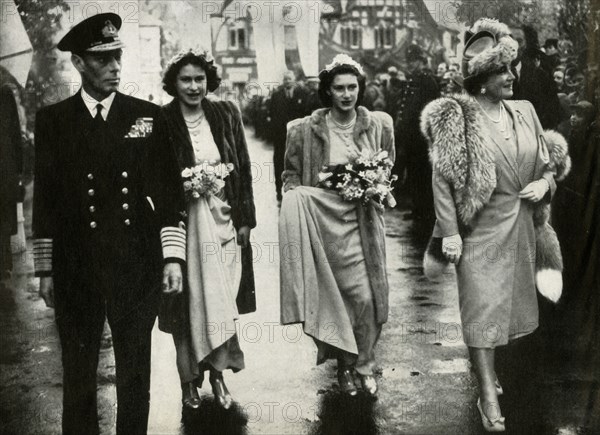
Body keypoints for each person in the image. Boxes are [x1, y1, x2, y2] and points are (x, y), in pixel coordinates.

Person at [32, 13, 184, 434]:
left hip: (136, 263)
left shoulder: (148, 117)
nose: (115, 67)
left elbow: (170, 195)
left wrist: (172, 257)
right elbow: (45, 198)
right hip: (76, 266)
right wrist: (45, 269)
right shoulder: (54, 121)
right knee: (78, 373)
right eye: (103, 60)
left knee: (134, 372)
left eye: (118, 57)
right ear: (79, 64)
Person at [420, 19, 567, 432]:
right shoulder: (458, 118)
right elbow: (443, 181)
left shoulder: (525, 112)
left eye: (511, 67)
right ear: (481, 79)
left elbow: (549, 163)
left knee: (510, 316)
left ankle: (487, 370)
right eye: (501, 70)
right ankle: (487, 396)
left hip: (521, 228)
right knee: (482, 309)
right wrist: (449, 231)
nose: (511, 76)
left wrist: (545, 183)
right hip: (479, 232)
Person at [279, 54, 395, 397]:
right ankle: (345, 367)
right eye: (339, 88)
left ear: (360, 88)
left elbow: (388, 167)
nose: (346, 94)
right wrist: (295, 200)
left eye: (352, 87)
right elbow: (290, 175)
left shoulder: (379, 125)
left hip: (363, 222)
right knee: (336, 299)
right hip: (323, 223)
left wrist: (374, 184)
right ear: (328, 91)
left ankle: (365, 363)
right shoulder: (303, 129)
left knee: (366, 297)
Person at [158, 48, 256, 410]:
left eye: (200, 79)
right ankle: (188, 382)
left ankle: (217, 374)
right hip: (184, 226)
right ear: (174, 83)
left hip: (224, 222)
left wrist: (246, 219)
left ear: (208, 81)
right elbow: (157, 178)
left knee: (222, 300)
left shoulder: (225, 113)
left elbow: (242, 168)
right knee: (185, 303)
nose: (194, 86)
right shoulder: (163, 119)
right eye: (186, 79)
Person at [393, 44, 439, 224]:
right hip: (410, 137)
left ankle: (426, 210)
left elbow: (430, 109)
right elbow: (404, 108)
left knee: (423, 174)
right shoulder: (412, 80)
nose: (411, 65)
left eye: (414, 62)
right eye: (409, 62)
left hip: (421, 137)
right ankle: (417, 208)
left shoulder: (427, 81)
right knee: (413, 174)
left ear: (421, 61)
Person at [268, 70, 308, 201]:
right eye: (285, 79)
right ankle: (278, 190)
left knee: (297, 162)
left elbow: (306, 115)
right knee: (279, 163)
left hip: (298, 137)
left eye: (290, 78)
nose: (288, 81)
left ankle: (297, 190)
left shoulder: (302, 93)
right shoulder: (276, 95)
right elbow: (272, 114)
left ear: (294, 79)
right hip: (280, 137)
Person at [0, 70, 23, 280]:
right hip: (5, 167)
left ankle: (4, 264)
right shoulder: (5, 92)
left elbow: (15, 133)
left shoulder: (4, 93)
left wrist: (18, 170)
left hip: (4, 168)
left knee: (4, 218)